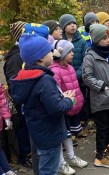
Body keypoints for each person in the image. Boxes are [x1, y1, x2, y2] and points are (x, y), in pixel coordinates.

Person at [10, 34, 75, 175]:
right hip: (50, 134)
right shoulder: (44, 80)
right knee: (49, 170)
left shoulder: (26, 77)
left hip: (38, 132)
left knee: (42, 167)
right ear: (40, 58)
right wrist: (68, 100)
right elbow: (56, 108)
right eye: (50, 51)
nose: (53, 54)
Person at [82, 24, 109, 168]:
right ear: (96, 39)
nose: (108, 40)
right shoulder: (90, 56)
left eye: (108, 37)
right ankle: (99, 156)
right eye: (104, 38)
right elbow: (87, 76)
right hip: (100, 99)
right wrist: (102, 86)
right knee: (102, 127)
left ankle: (108, 150)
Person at [50, 40, 88, 174]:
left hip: (70, 109)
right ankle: (60, 163)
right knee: (61, 136)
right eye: (70, 51)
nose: (73, 53)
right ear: (61, 53)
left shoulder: (70, 67)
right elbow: (56, 92)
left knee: (68, 135)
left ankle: (71, 157)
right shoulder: (54, 71)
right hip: (63, 110)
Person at [3, 21, 33, 169]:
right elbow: (14, 81)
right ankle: (24, 156)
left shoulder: (25, 52)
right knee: (24, 127)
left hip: (30, 97)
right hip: (23, 99)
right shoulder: (15, 58)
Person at [59, 14, 89, 138]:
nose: (72, 26)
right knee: (69, 105)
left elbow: (85, 61)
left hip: (79, 79)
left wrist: (76, 75)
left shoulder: (81, 41)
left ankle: (83, 125)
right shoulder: (60, 42)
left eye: (74, 23)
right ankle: (70, 129)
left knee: (81, 102)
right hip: (65, 82)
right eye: (69, 24)